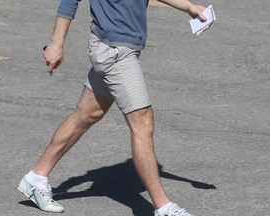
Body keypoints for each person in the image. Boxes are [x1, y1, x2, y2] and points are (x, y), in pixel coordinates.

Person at [18, 0, 210, 215]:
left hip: (118, 48)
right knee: (143, 124)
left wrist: (189, 7)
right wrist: (56, 43)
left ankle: (36, 178)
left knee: (86, 115)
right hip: (115, 52)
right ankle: (164, 208)